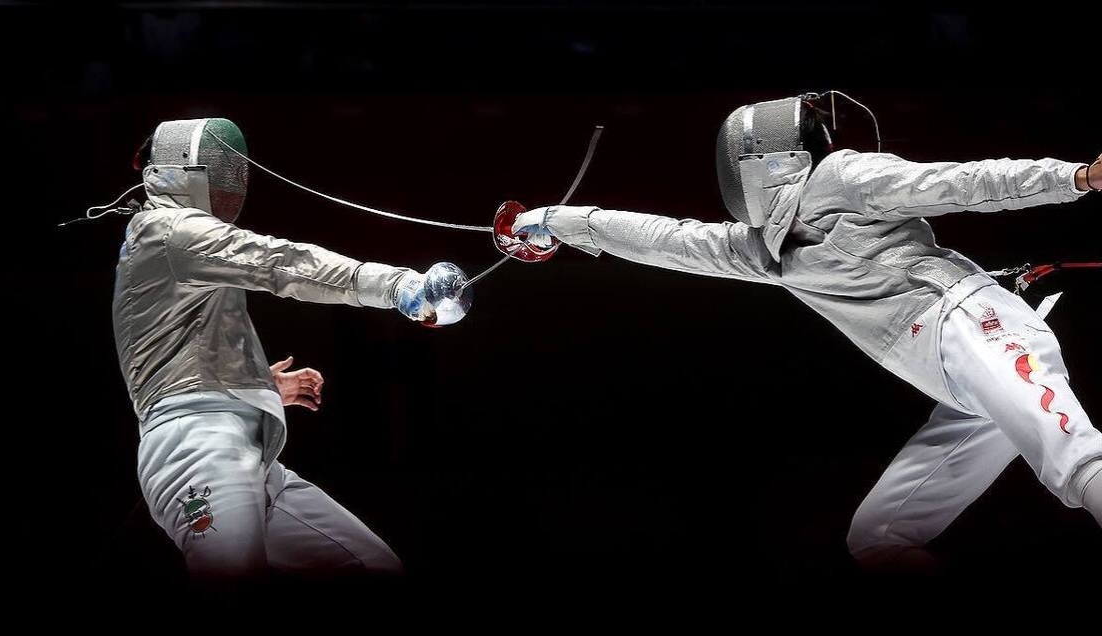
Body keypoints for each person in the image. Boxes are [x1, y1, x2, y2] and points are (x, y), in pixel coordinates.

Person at [511, 93, 1102, 570]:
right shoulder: (761, 251)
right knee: (879, 538)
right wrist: (557, 222)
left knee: (1076, 460)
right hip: (958, 385)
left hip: (974, 328)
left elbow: (961, 183)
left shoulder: (845, 176)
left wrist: (1077, 177)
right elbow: (665, 239)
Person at [113, 118, 460, 578]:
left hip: (246, 452)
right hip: (195, 445)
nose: (233, 182)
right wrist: (396, 286)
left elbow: (180, 346)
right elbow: (281, 262)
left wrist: (261, 384)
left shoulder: (174, 240)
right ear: (187, 172)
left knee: (372, 566)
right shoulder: (168, 229)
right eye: (222, 169)